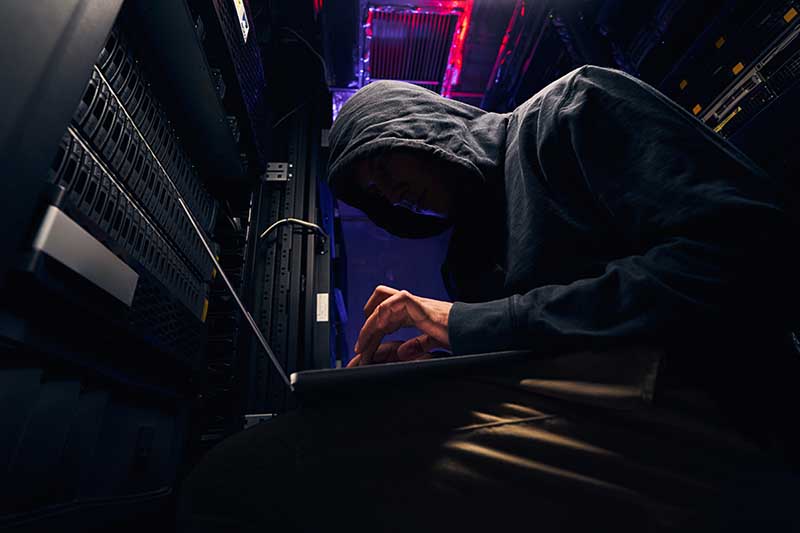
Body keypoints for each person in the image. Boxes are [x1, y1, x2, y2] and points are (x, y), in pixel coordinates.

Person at [179, 66, 800, 532]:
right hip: (600, 420)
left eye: (388, 168)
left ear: (419, 125)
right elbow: (531, 356)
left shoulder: (572, 110)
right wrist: (429, 373)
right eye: (379, 199)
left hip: (722, 404)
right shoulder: (468, 262)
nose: (395, 197)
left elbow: (746, 250)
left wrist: (469, 324)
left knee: (249, 480)